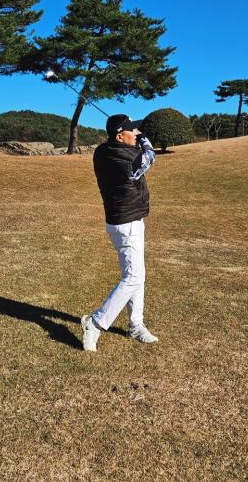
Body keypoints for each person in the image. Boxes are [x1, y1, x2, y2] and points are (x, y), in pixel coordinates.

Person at [81, 114, 158, 352]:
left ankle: (135, 325)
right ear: (119, 137)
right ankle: (95, 322)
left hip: (126, 221)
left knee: (137, 275)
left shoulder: (103, 151)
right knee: (133, 277)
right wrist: (144, 138)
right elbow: (149, 157)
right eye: (131, 131)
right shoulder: (124, 157)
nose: (135, 134)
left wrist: (135, 134)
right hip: (126, 224)